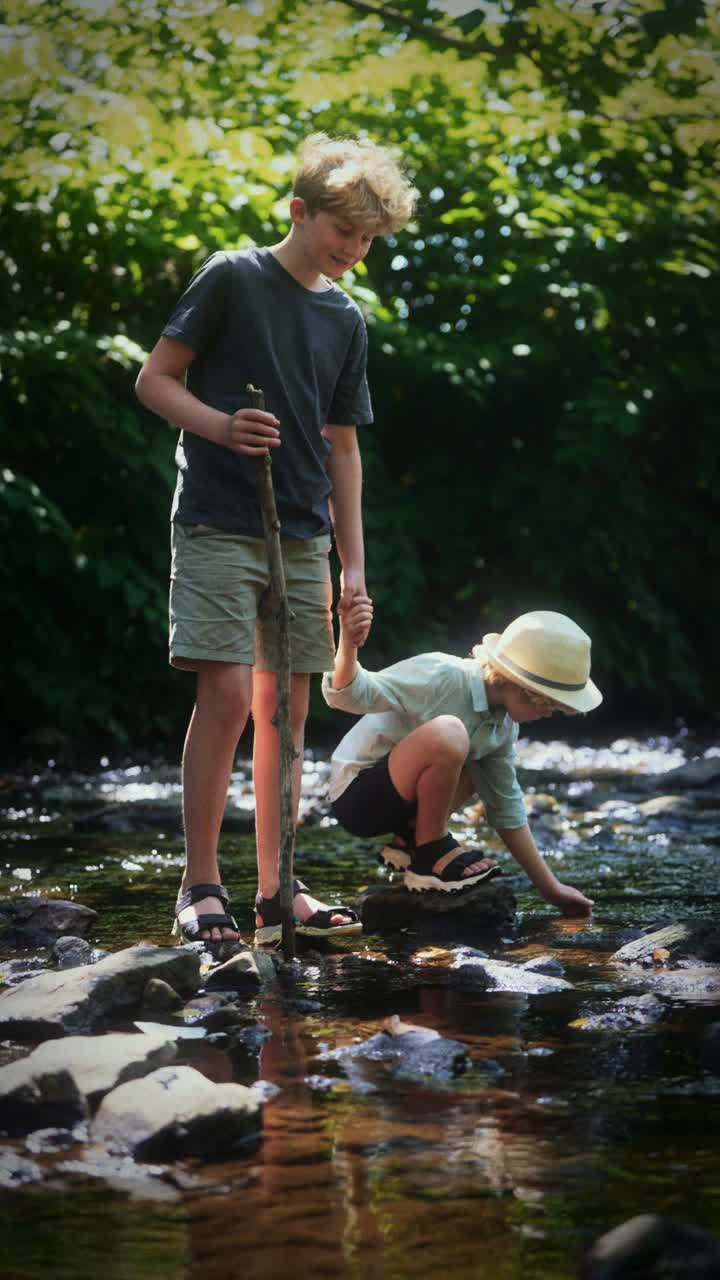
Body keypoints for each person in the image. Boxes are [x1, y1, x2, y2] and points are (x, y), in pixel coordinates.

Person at [135, 133, 417, 946]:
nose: (356, 253)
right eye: (346, 235)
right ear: (300, 210)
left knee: (287, 716)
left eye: (368, 242)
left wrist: (352, 567)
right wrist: (221, 426)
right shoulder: (234, 277)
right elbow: (154, 380)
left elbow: (344, 448)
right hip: (219, 521)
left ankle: (277, 887)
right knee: (225, 696)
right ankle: (199, 884)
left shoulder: (345, 318)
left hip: (303, 536)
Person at [323, 606, 602, 917]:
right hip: (358, 795)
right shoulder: (442, 675)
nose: (550, 712)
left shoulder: (502, 728)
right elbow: (347, 696)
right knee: (451, 733)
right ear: (521, 686)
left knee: (478, 763)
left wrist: (552, 889)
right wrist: (347, 643)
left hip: (400, 805)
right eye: (548, 702)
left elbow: (505, 807)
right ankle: (430, 852)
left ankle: (411, 841)